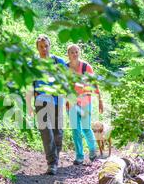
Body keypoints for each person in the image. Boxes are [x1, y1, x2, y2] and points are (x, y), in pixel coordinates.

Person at [26, 35, 67, 175]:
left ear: (50, 45)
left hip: (57, 100)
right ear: (37, 48)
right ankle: (52, 163)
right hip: (40, 101)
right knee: (46, 132)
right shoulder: (32, 64)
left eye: (46, 46)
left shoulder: (58, 62)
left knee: (58, 132)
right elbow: (29, 85)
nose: (44, 49)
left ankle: (55, 156)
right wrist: (28, 104)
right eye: (41, 47)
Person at [66, 44, 104, 165]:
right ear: (68, 54)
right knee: (75, 130)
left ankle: (93, 151)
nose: (74, 54)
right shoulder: (65, 68)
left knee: (86, 128)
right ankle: (79, 156)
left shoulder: (86, 67)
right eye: (72, 52)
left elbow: (94, 85)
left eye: (76, 51)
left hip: (85, 101)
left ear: (79, 53)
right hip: (71, 103)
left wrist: (100, 100)